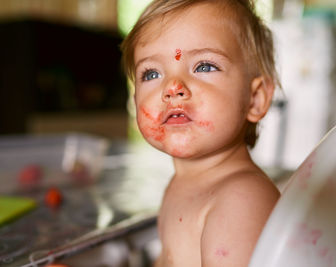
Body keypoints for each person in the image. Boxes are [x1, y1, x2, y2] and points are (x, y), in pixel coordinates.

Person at [120, 0, 281, 266]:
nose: (172, 87)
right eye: (151, 73)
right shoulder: (182, 185)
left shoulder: (241, 200)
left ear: (254, 99)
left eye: (204, 66)